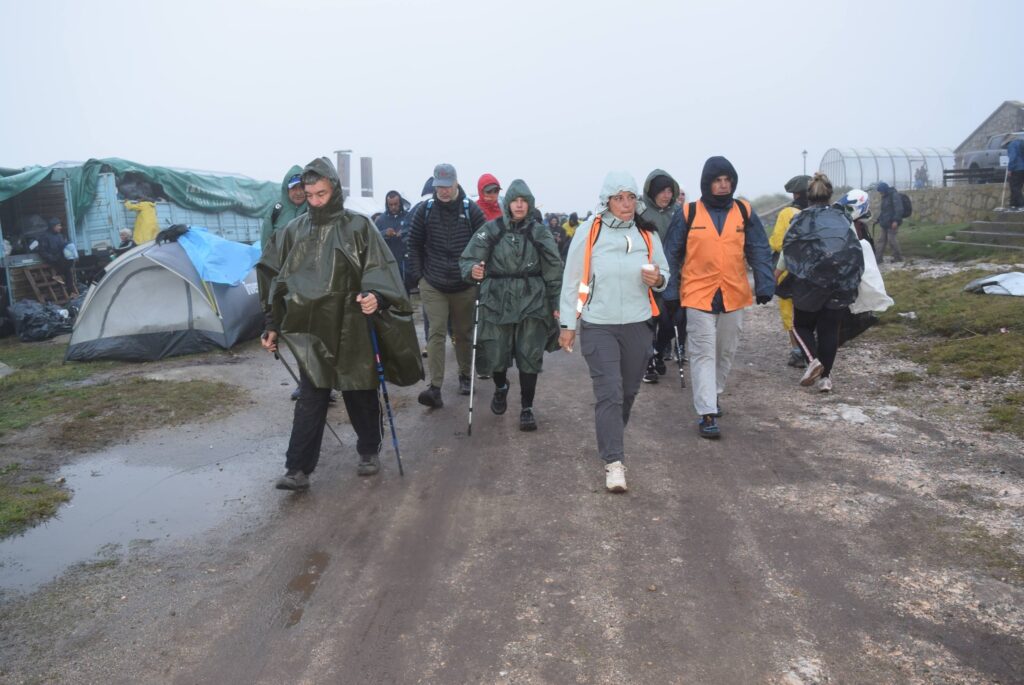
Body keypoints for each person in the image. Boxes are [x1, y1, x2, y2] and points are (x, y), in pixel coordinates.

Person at [256, 157, 422, 490]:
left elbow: (380, 269)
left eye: (321, 193)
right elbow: (274, 279)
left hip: (352, 323)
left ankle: (368, 449)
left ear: (334, 190)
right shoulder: (291, 232)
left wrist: (375, 294)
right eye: (310, 193)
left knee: (359, 388)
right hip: (310, 328)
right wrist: (272, 323)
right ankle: (297, 469)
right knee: (311, 395)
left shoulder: (358, 227)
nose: (316, 200)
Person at [558, 171, 669, 493]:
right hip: (599, 324)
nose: (626, 204)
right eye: (619, 198)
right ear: (606, 201)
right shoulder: (589, 232)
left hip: (638, 323)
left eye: (631, 197)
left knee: (628, 392)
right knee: (609, 391)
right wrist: (568, 325)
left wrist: (658, 280)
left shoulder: (647, 234)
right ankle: (614, 462)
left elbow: (666, 273)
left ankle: (610, 436)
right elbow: (571, 280)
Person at [664, 156, 774, 439]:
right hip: (697, 294)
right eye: (718, 181)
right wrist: (672, 293)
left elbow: (759, 248)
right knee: (702, 353)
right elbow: (671, 254)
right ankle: (707, 412)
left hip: (734, 293)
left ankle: (712, 394)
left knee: (725, 351)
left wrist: (764, 282)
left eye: (728, 181)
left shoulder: (744, 211)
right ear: (707, 183)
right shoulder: (688, 213)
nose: (723, 186)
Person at [460, 179, 563, 431]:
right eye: (515, 200)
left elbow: (553, 268)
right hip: (497, 298)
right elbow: (469, 258)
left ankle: (527, 407)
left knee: (530, 354)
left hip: (533, 299)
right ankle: (501, 386)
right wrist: (472, 270)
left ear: (529, 204)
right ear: (508, 203)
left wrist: (556, 302)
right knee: (496, 352)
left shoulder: (540, 232)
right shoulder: (491, 229)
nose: (519, 205)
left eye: (524, 201)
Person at [406, 163, 487, 408]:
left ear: (456, 183)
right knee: (436, 333)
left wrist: (480, 268)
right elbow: (414, 244)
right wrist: (420, 277)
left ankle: (465, 375)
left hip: (465, 283)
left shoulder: (469, 209)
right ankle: (435, 387)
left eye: (447, 186)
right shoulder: (425, 210)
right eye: (439, 186)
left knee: (463, 334)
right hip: (433, 282)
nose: (443, 191)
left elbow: (486, 240)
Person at [782, 173, 864, 393]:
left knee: (801, 325)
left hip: (808, 285)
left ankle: (812, 361)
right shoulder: (843, 218)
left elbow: (788, 251)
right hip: (840, 282)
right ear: (830, 195)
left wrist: (774, 277)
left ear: (808, 196)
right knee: (829, 331)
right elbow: (854, 248)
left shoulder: (799, 219)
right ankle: (825, 379)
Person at [638, 169, 681, 383]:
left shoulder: (679, 213)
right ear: (652, 192)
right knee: (651, 321)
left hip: (675, 276)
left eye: (669, 191)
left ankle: (657, 351)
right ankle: (648, 365)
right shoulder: (641, 213)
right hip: (648, 276)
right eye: (662, 191)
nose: (666, 195)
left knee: (674, 321)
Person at [769, 175, 811, 368]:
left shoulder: (788, 213)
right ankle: (813, 347)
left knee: (790, 313)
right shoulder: (821, 212)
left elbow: (778, 242)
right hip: (815, 272)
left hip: (789, 271)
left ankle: (798, 351)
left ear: (795, 193)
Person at [260, 166, 308, 248]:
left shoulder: (314, 210)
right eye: (294, 188)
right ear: (286, 189)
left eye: (302, 188)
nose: (299, 193)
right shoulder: (275, 210)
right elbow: (266, 243)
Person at [375, 190, 410, 282]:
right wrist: (384, 233)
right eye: (390, 205)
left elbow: (415, 233)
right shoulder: (380, 220)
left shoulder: (408, 217)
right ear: (387, 204)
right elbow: (373, 238)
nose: (393, 207)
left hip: (404, 262)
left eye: (396, 204)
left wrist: (404, 232)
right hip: (387, 263)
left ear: (400, 203)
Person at [37, 217, 78, 295]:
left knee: (69, 270)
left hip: (60, 258)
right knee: (65, 267)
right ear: (53, 226)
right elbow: (42, 251)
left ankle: (71, 292)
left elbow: (62, 246)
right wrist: (50, 257)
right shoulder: (45, 237)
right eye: (58, 225)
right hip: (52, 259)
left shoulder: (59, 236)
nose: (60, 227)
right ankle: (58, 275)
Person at [874, 181, 903, 263]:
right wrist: (879, 219)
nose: (880, 193)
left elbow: (899, 209)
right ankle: (878, 259)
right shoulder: (884, 196)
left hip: (892, 222)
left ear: (884, 190)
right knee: (881, 241)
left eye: (881, 191)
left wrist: (896, 221)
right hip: (885, 223)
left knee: (891, 240)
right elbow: (884, 211)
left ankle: (898, 257)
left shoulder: (894, 195)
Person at [1008, 136, 1024, 211]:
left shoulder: (1011, 145)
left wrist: (1010, 169)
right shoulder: (1021, 143)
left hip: (1016, 168)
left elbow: (1013, 157)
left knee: (1015, 187)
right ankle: (1013, 204)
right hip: (1022, 169)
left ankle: (1021, 204)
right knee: (1018, 187)